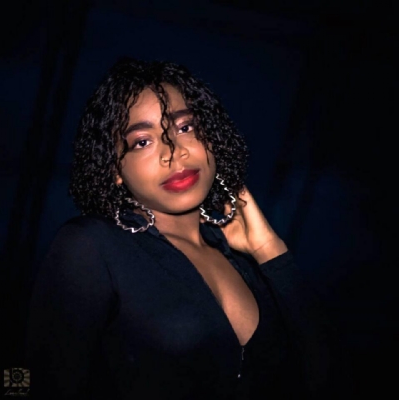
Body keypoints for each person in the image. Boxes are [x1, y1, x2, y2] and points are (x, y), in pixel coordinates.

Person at [25, 58, 338, 400]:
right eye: (142, 141)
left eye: (185, 127)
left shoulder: (242, 258)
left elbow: (326, 374)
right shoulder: (91, 246)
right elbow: (27, 375)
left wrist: (270, 252)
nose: (174, 152)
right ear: (114, 170)